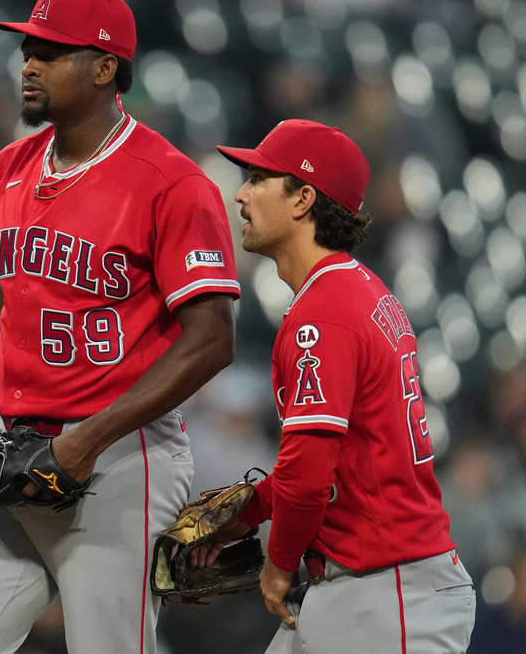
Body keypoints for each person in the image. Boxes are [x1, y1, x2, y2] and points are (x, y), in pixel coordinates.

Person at [0, 0, 240, 654]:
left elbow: (212, 340)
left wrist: (88, 439)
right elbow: (9, 289)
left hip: (121, 463)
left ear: (103, 68)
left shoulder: (172, 182)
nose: (29, 64)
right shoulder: (11, 165)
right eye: (29, 49)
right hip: (15, 453)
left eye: (51, 52)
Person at [200, 119, 476, 652]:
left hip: (389, 592)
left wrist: (278, 566)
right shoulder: (356, 291)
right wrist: (243, 515)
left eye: (258, 179)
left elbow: (307, 478)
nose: (240, 193)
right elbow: (328, 468)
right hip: (370, 584)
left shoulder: (325, 313)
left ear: (304, 198)